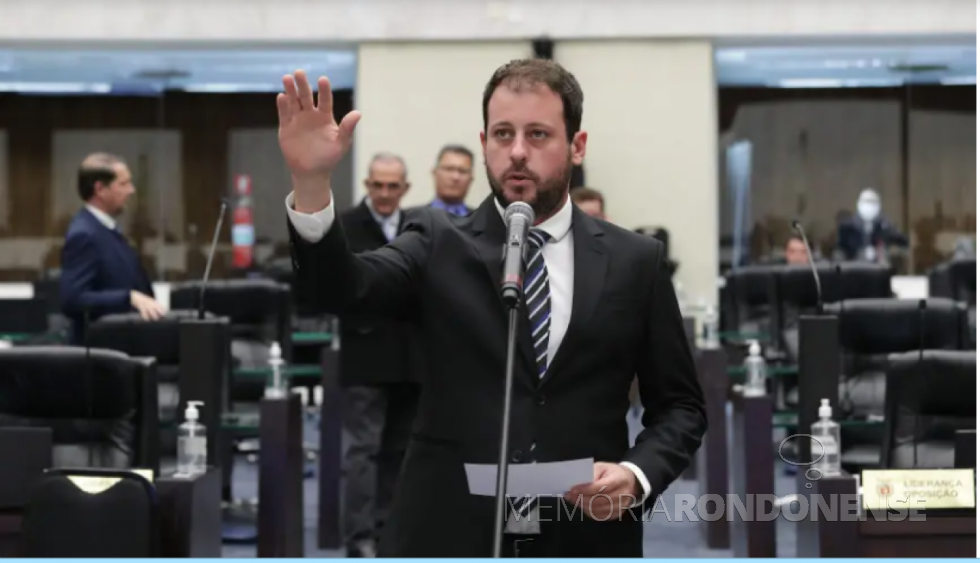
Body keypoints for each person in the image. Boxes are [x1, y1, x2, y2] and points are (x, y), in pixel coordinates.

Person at [279, 59, 706, 557]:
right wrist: (311, 185)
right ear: (484, 142)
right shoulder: (437, 241)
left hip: (582, 529)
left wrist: (636, 476)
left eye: (539, 134)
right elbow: (343, 291)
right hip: (451, 530)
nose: (518, 152)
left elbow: (681, 405)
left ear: (577, 145)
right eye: (503, 134)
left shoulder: (636, 261)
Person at [339, 151, 423, 557]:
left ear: (405, 188)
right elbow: (341, 286)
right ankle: (359, 540)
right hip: (366, 353)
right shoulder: (345, 226)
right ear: (367, 185)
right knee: (362, 452)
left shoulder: (417, 225)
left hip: (412, 358)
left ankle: (388, 533)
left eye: (393, 186)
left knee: (400, 451)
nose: (385, 193)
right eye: (378, 185)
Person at [60, 153, 164, 343]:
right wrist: (129, 298)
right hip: (100, 355)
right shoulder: (84, 234)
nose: (131, 191)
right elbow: (73, 299)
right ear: (100, 189)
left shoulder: (107, 229)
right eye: (123, 184)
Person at [836, 188, 908, 262]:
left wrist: (888, 252)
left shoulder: (885, 225)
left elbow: (903, 243)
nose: (869, 206)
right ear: (859, 204)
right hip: (854, 267)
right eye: (866, 202)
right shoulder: (847, 227)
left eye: (873, 202)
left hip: (880, 267)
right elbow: (841, 251)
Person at [429, 144, 475, 216]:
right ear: (435, 173)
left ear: (471, 179)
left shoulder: (484, 222)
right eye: (449, 169)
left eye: (462, 171)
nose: (455, 177)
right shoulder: (411, 219)